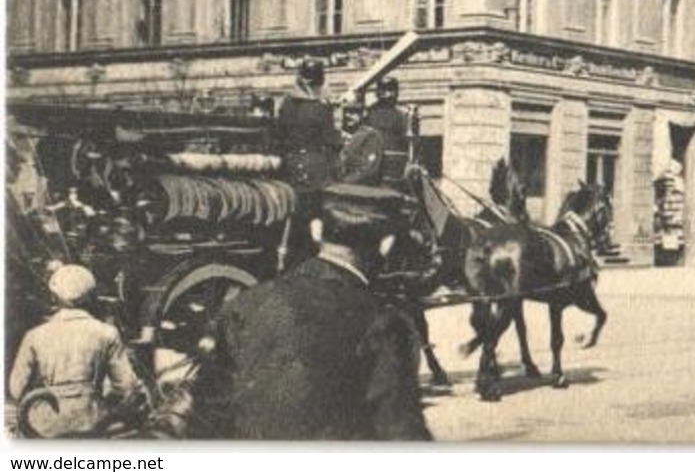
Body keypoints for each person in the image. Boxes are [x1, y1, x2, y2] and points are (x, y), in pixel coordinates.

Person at [189, 185, 431, 440]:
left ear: (316, 231)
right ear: (386, 244)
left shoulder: (247, 303)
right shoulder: (386, 323)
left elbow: (205, 413)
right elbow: (402, 433)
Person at [8, 264, 146, 438]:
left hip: (43, 428)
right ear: (91, 296)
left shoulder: (34, 336)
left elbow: (16, 389)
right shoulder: (106, 333)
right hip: (92, 423)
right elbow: (127, 386)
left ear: (54, 296)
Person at [279, 58, 343, 190]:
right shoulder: (322, 107)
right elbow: (330, 140)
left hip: (289, 164)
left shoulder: (287, 102)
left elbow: (280, 133)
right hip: (316, 166)